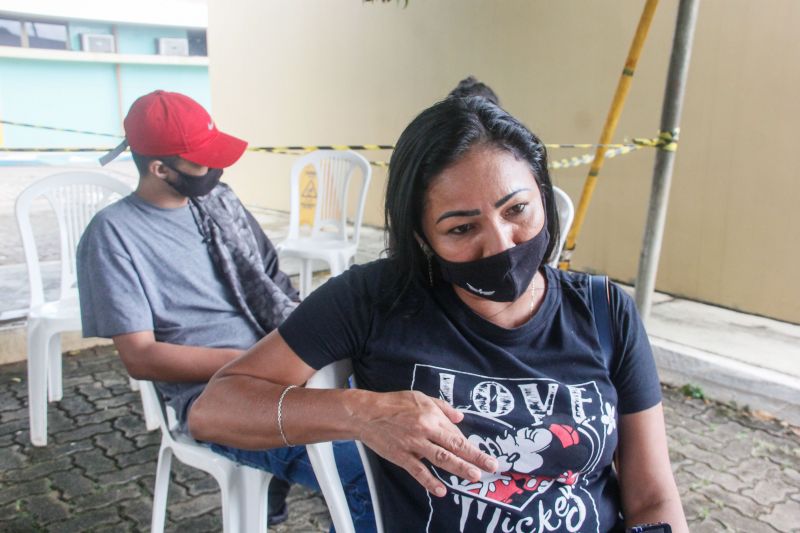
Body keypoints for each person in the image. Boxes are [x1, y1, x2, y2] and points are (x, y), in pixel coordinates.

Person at [189, 96, 688, 532]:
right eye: (461, 228)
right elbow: (215, 409)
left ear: (544, 195)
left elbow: (651, 497)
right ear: (423, 238)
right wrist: (361, 413)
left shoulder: (605, 311)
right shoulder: (378, 298)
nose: (501, 244)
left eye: (517, 210)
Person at [77, 90, 373, 528]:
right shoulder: (113, 235)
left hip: (286, 362)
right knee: (368, 473)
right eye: (202, 160)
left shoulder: (219, 204)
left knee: (406, 416)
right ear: (160, 168)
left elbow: (274, 281)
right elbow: (140, 358)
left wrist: (301, 348)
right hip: (217, 396)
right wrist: (258, 364)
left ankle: (274, 491)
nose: (216, 169)